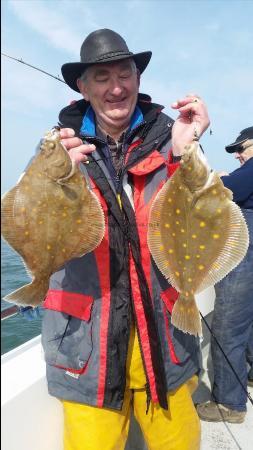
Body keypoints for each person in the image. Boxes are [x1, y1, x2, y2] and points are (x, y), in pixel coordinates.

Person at [39, 29, 210, 450]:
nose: (116, 88)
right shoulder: (57, 150)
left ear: (137, 78)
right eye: (101, 77)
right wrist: (57, 181)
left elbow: (204, 213)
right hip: (86, 347)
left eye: (125, 74)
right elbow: (39, 230)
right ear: (82, 86)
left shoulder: (172, 140)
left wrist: (187, 151)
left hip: (165, 340)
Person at [197, 127, 253, 424]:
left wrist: (218, 178)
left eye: (242, 148)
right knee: (248, 320)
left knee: (228, 326)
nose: (238, 155)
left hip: (244, 258)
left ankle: (230, 404)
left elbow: (228, 191)